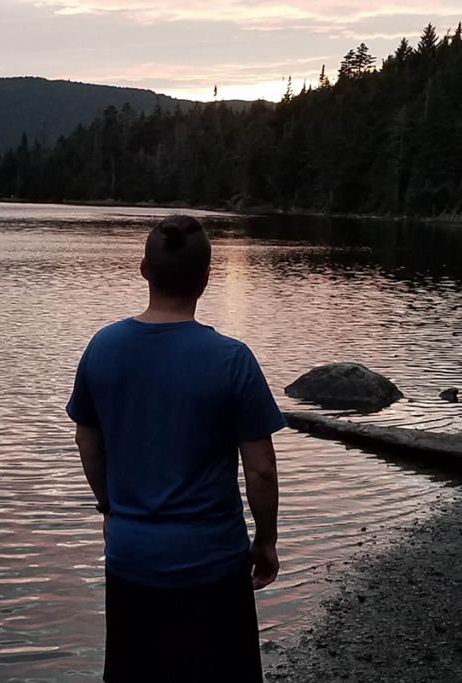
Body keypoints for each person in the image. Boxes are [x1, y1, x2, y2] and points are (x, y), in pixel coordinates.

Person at [67, 215, 286, 683]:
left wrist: (108, 507)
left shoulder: (103, 347)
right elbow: (262, 470)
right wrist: (264, 541)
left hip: (132, 558)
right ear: (207, 277)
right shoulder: (232, 360)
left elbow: (87, 441)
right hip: (212, 562)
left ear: (144, 269)